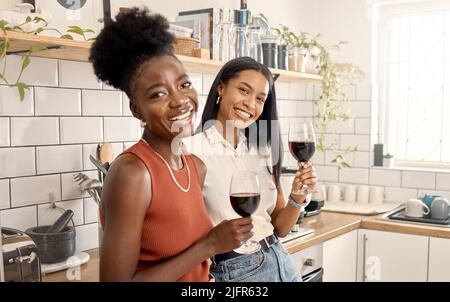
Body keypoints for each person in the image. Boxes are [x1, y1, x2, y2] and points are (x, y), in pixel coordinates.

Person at [89, 7, 253, 282]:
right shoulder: (133, 173)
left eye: (184, 84)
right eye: (158, 94)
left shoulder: (194, 166)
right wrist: (210, 244)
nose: (180, 100)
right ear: (136, 109)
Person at [184, 57, 318, 282]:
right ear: (221, 88)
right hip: (236, 271)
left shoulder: (262, 149)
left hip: (281, 261)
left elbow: (280, 228)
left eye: (260, 98)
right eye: (243, 90)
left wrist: (299, 195)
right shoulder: (191, 151)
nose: (250, 104)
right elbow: (186, 236)